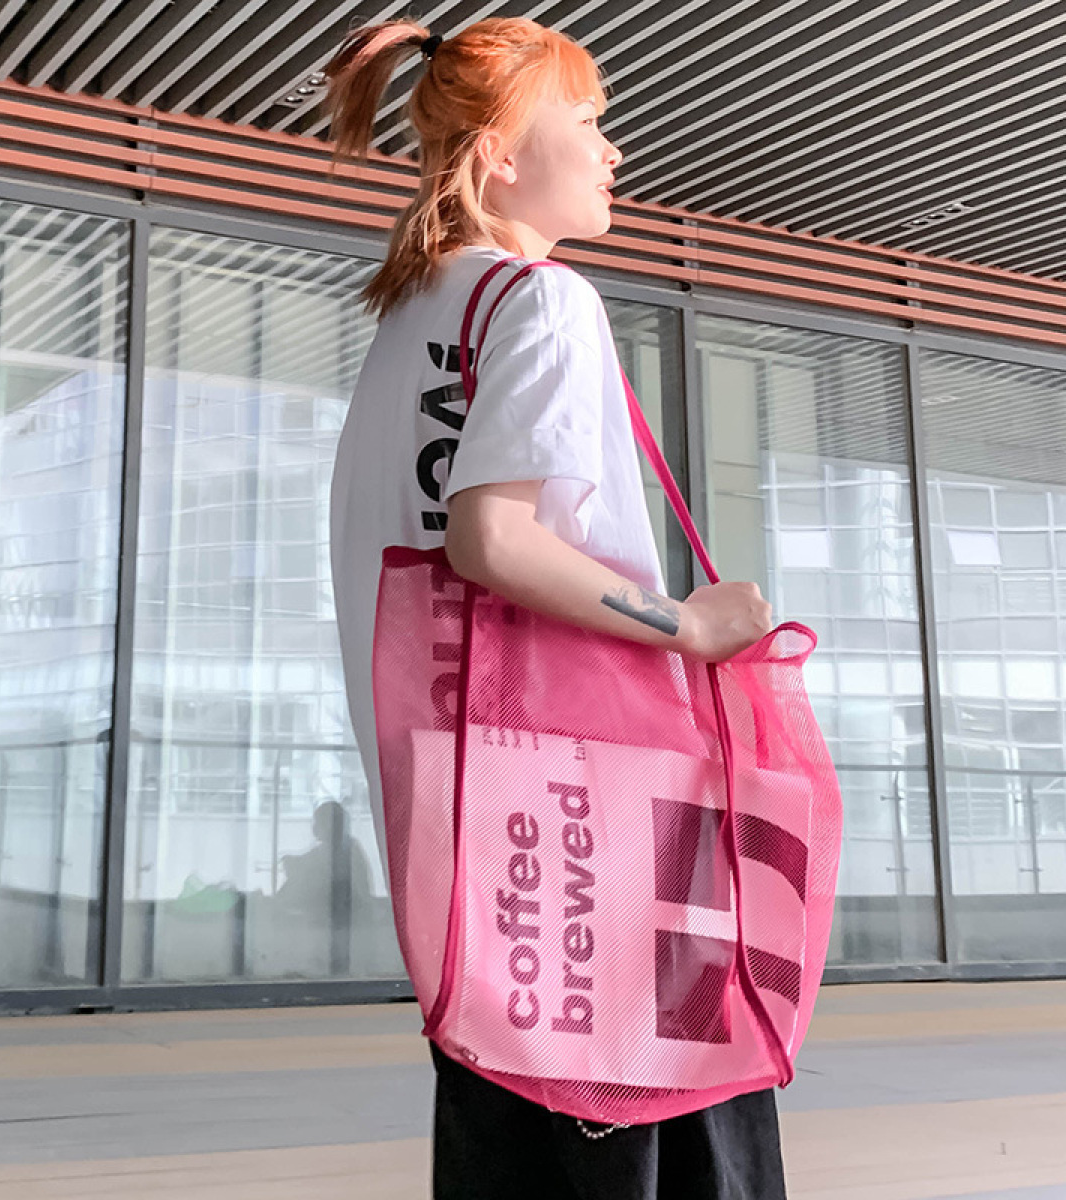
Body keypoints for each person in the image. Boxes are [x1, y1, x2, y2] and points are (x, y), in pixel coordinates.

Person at [325, 17, 784, 1200]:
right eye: (586, 121)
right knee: (661, 1114)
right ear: (499, 156)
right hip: (591, 816)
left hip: (465, 816)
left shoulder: (406, 325)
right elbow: (492, 539)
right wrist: (687, 624)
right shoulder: (543, 300)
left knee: (510, 1135)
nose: (613, 149)